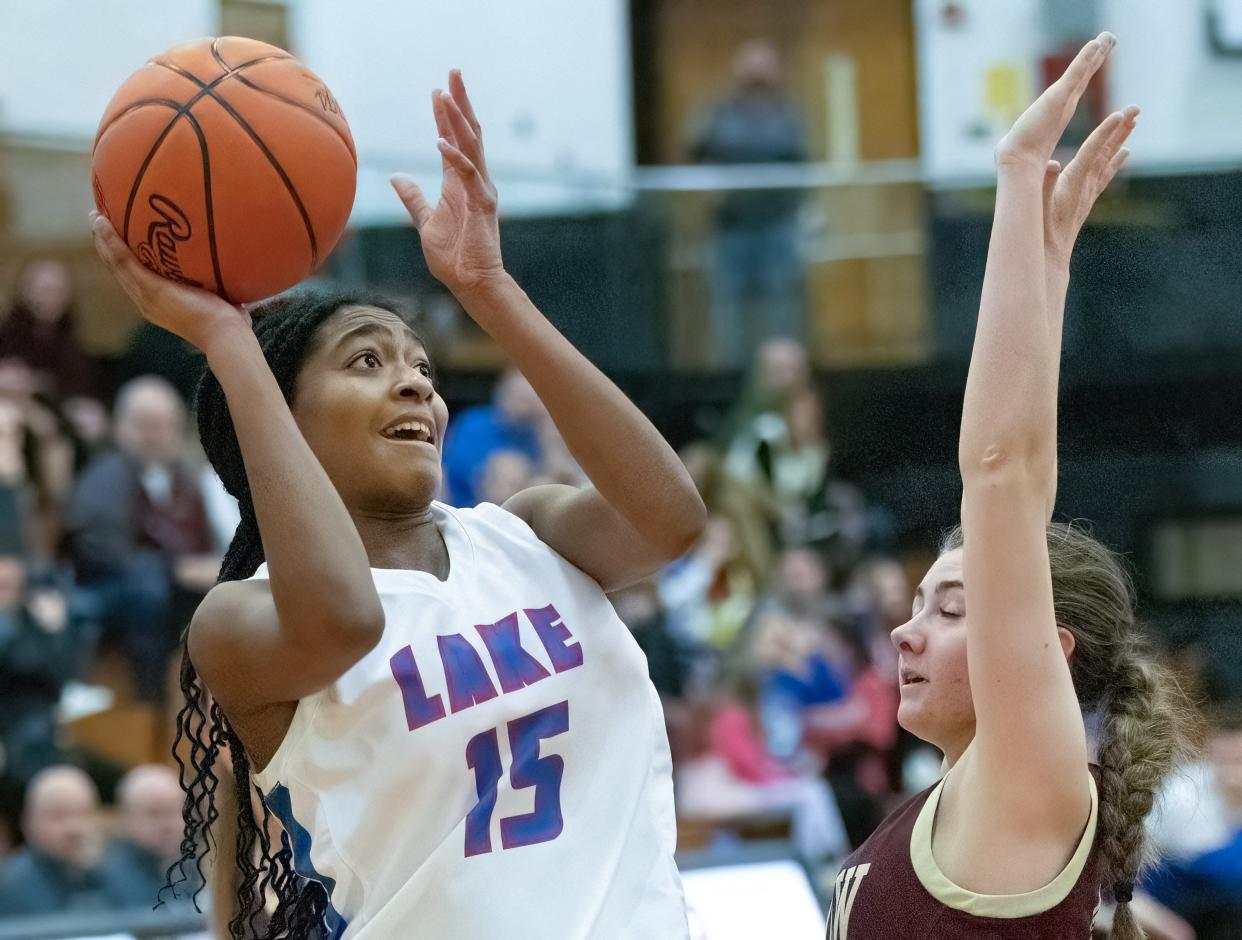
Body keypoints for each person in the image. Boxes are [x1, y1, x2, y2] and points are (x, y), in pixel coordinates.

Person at [91, 70, 705, 940]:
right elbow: (346, 618)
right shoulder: (238, 621)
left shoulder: (528, 533)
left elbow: (670, 521)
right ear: (277, 418)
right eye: (367, 361)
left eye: (421, 363)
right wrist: (229, 341)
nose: (415, 379)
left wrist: (490, 290)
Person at [822, 36, 1201, 939]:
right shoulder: (965, 788)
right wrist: (1050, 256)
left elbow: (1004, 471)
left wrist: (1016, 173)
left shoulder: (1031, 769)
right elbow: (1017, 469)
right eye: (922, 603)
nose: (906, 631)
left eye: (951, 609)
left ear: (1044, 646)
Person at [64, 376, 223, 700]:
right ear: (120, 425)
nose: (155, 436)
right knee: (149, 592)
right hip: (109, 589)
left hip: (178, 587)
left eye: (164, 425)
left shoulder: (190, 478)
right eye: (145, 425)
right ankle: (147, 704)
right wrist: (175, 569)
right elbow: (101, 551)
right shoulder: (105, 476)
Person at [689, 41, 807, 365]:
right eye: (750, 69)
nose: (756, 77)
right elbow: (697, 149)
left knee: (782, 312)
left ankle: (785, 379)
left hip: (777, 227)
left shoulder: (787, 114)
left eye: (762, 69)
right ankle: (728, 383)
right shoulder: (719, 112)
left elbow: (797, 156)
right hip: (732, 229)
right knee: (729, 317)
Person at [0, 765, 151, 916]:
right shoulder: (11, 886)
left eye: (83, 814)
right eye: (58, 816)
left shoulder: (119, 873)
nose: (73, 828)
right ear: (28, 822)